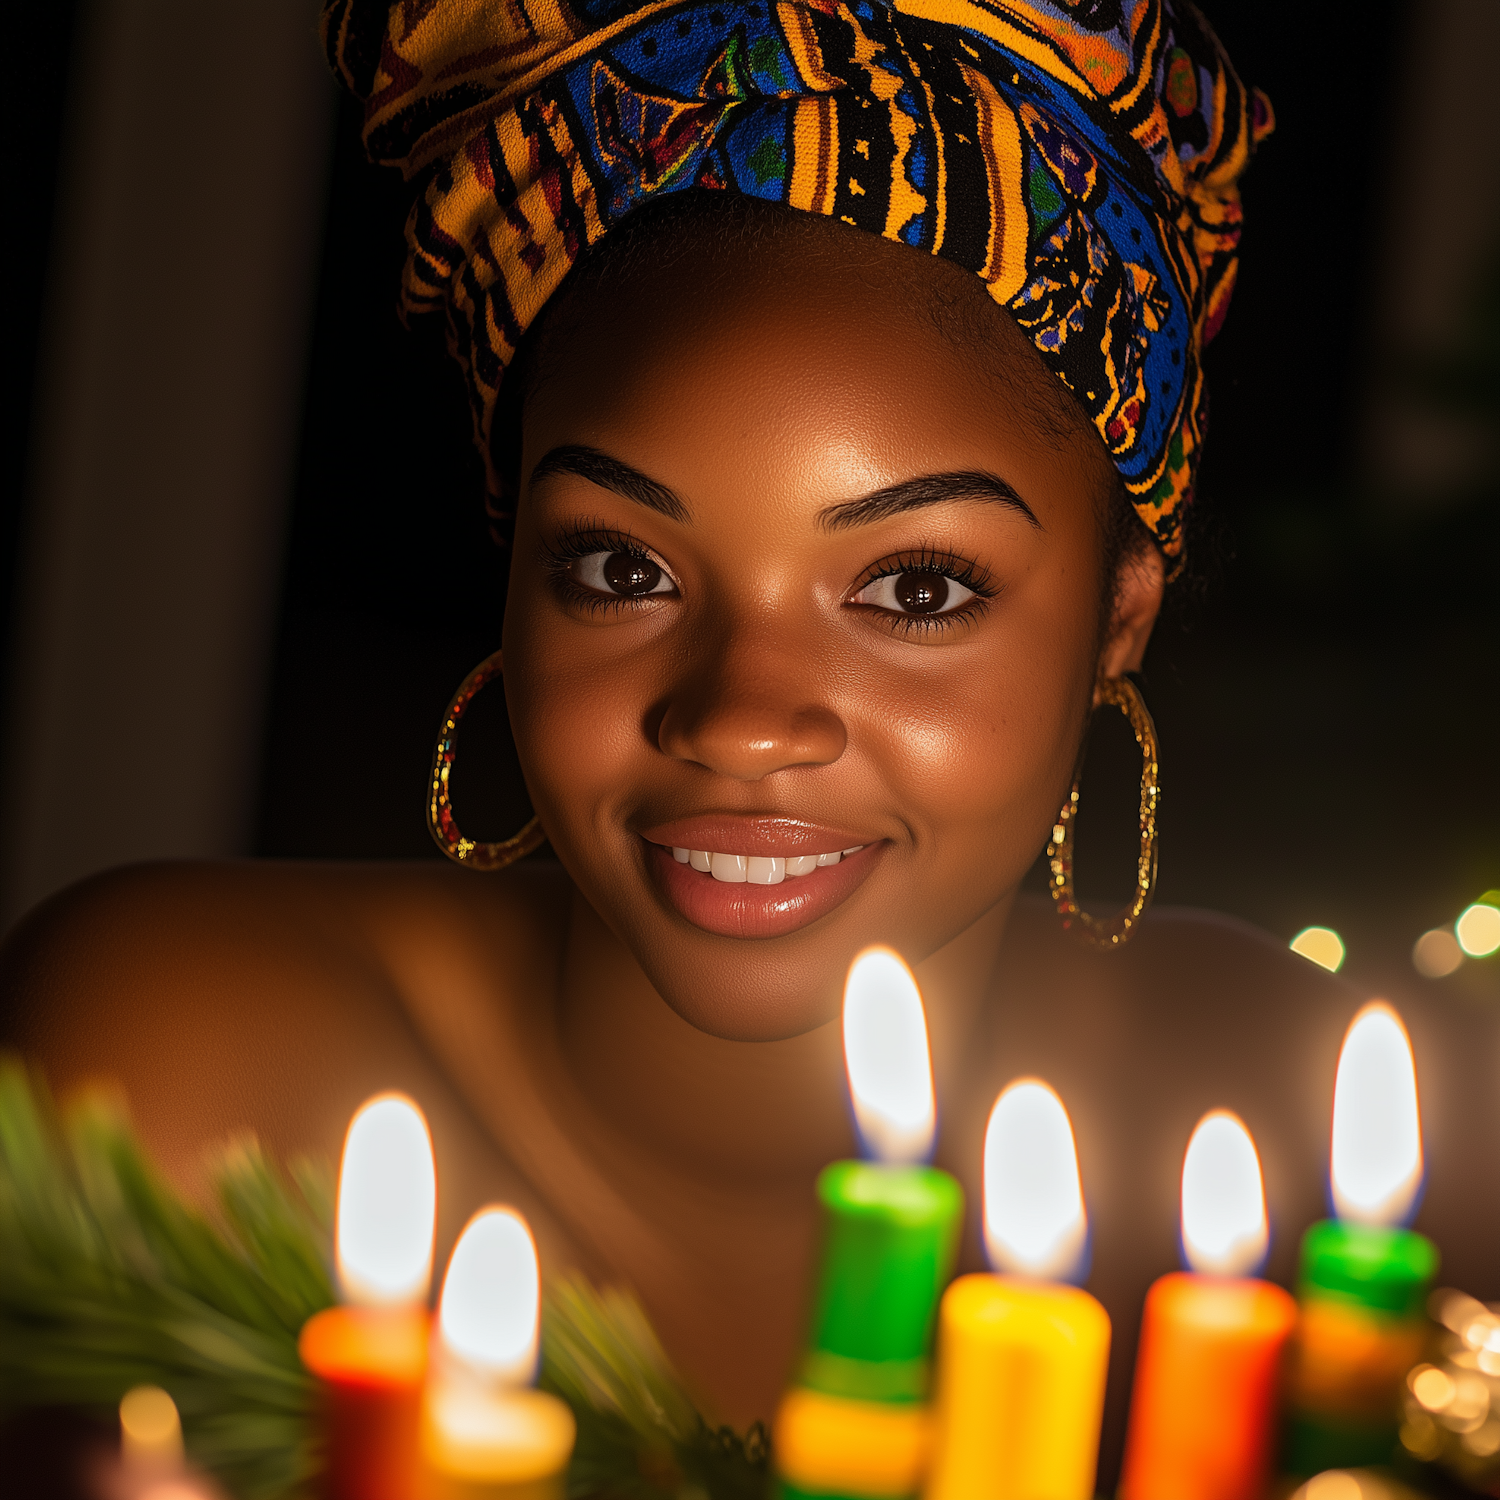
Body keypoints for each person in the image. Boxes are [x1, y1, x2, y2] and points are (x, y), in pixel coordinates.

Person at [3, 0, 1496, 1484]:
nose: (740, 719)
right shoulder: (176, 1085)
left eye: (915, 589)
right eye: (621, 570)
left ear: (1117, 619)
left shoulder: (1279, 1140)